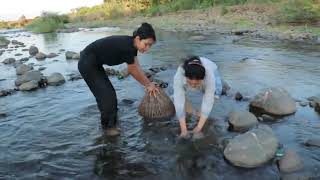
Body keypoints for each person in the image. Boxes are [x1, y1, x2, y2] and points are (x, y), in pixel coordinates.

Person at [78, 23, 159, 136]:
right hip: (87, 63)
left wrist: (148, 83)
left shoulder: (131, 45)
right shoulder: (127, 47)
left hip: (95, 64)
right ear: (138, 38)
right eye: (146, 44)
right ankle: (108, 129)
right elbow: (132, 70)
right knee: (107, 97)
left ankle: (111, 123)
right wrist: (148, 85)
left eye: (150, 46)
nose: (147, 48)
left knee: (108, 95)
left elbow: (136, 66)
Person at [173, 56, 222, 138]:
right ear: (185, 77)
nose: (193, 86)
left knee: (215, 95)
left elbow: (208, 101)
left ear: (203, 79)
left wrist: (199, 128)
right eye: (190, 82)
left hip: (212, 69)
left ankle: (200, 116)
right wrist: (183, 130)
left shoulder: (209, 76)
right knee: (175, 96)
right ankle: (192, 112)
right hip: (186, 75)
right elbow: (178, 102)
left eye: (196, 83)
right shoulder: (180, 75)